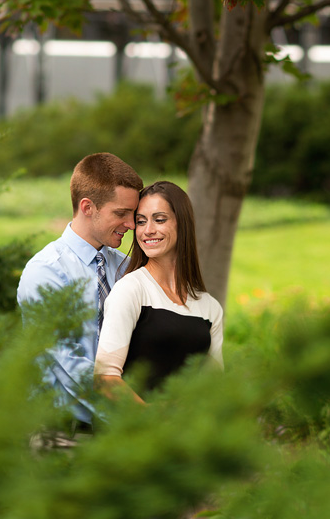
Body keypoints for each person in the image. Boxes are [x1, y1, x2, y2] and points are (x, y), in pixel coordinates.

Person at [17, 152, 143, 433]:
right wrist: (139, 414)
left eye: (133, 214)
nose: (132, 225)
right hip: (65, 433)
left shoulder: (122, 267)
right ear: (87, 207)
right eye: (121, 213)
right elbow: (67, 364)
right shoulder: (47, 272)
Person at [94, 181, 224, 403]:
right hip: (139, 432)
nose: (148, 230)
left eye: (159, 219)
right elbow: (105, 378)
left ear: (182, 224)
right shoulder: (131, 289)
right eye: (141, 221)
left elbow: (216, 386)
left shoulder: (208, 306)